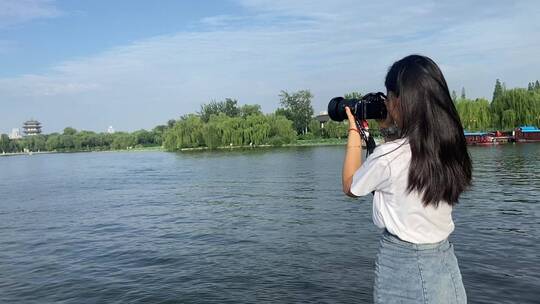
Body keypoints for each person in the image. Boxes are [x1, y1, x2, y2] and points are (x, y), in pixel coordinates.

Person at [342, 54, 471, 304]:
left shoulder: (389, 156)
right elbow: (403, 160)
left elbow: (350, 186)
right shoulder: (448, 147)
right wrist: (389, 130)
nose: (387, 106)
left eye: (389, 98)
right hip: (445, 262)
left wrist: (354, 130)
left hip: (405, 266)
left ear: (401, 102)